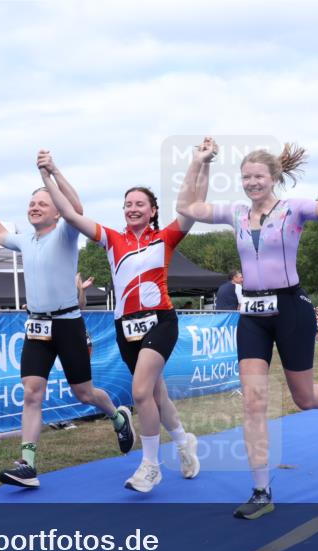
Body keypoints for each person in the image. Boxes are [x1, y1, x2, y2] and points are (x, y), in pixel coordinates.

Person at [178, 131, 318, 520]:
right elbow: (187, 206)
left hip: (291, 309)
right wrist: (200, 162)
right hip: (253, 318)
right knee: (254, 402)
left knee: (303, 398)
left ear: (273, 177)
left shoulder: (295, 209)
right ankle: (261, 491)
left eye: (259, 176)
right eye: (246, 177)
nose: (252, 183)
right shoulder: (235, 213)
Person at [38, 148, 212, 493]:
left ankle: (151, 466)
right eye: (128, 204)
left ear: (153, 210)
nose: (133, 209)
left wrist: (201, 163)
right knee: (156, 394)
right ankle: (183, 441)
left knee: (140, 391)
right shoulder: (111, 239)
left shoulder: (166, 237)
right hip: (125, 327)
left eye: (140, 204)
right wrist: (48, 173)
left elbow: (195, 205)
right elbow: (70, 214)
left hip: (160, 321)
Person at [0, 166, 135, 489]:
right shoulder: (24, 240)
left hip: (67, 325)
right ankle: (27, 466)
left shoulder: (65, 232)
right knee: (32, 392)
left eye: (42, 203)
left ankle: (118, 416)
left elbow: (76, 208)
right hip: (36, 326)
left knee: (84, 393)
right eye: (32, 203)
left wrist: (52, 172)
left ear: (57, 212)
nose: (34, 207)